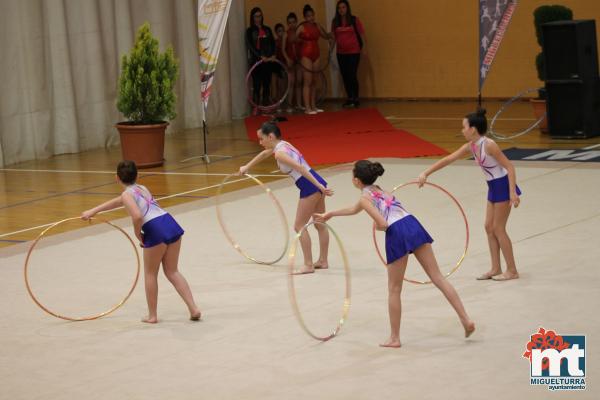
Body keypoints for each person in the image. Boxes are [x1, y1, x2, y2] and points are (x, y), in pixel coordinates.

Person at [314, 160, 475, 348]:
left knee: (394, 289)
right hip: (412, 223)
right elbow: (354, 209)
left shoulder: (365, 199)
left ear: (356, 181)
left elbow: (382, 223)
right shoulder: (379, 189)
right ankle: (465, 320)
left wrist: (378, 227)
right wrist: (330, 213)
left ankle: (394, 338)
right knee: (437, 276)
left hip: (397, 232)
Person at [81, 160, 201, 323]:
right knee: (172, 271)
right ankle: (193, 308)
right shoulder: (142, 188)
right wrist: (93, 211)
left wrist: (139, 234)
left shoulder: (126, 195)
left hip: (154, 228)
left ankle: (152, 315)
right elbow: (119, 201)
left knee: (150, 273)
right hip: (169, 223)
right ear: (137, 175)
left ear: (116, 178)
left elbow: (137, 215)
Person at [418, 109, 521, 281]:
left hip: (502, 185)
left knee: (498, 228)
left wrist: (512, 193)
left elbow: (509, 167)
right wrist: (426, 173)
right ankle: (496, 268)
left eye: (464, 127)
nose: (462, 130)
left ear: (473, 129)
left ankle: (512, 270)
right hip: (493, 187)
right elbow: (448, 159)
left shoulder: (489, 145)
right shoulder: (471, 146)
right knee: (489, 227)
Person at [239, 122, 333, 274]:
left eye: (261, 139)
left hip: (310, 185)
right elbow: (264, 154)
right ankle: (323, 260)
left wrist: (319, 187)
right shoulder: (283, 145)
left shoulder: (279, 153)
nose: (260, 142)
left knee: (299, 226)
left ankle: (308, 264)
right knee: (319, 223)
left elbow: (301, 168)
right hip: (317, 181)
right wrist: (246, 166)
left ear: (270, 136)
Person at [297, 4, 331, 115]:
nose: (311, 18)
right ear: (305, 17)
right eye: (308, 16)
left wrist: (333, 33)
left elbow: (326, 36)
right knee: (308, 81)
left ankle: (313, 105)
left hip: (316, 54)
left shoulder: (318, 26)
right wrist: (300, 41)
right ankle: (307, 108)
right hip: (306, 54)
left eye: (312, 15)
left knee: (315, 81)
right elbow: (293, 39)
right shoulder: (302, 27)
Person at [331, 0, 366, 108]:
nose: (341, 10)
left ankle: (355, 98)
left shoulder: (354, 20)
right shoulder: (335, 22)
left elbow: (362, 35)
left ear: (347, 8)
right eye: (339, 8)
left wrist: (365, 50)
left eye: (343, 7)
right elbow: (333, 38)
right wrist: (330, 50)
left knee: (352, 74)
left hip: (354, 52)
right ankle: (349, 97)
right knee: (345, 75)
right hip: (341, 53)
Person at [246, 7, 276, 111]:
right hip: (256, 62)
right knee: (257, 85)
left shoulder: (267, 29)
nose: (258, 18)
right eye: (256, 16)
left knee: (267, 84)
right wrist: (260, 56)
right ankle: (256, 107)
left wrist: (273, 55)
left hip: (268, 61)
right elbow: (250, 46)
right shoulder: (249, 31)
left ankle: (265, 106)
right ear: (252, 17)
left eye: (260, 16)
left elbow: (273, 43)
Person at [282, 12, 304, 112]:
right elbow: (283, 49)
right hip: (290, 60)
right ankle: (289, 105)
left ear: (296, 22)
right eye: (290, 22)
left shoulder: (299, 32)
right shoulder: (286, 34)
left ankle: (299, 104)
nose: (292, 24)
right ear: (287, 24)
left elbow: (303, 45)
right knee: (291, 83)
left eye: (294, 22)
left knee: (299, 82)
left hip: (299, 60)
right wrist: (287, 59)